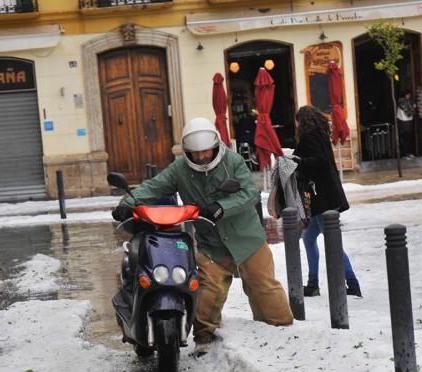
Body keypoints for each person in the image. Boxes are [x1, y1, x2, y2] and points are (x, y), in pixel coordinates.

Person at [112, 117, 293, 351]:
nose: (200, 157)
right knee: (208, 291)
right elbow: (155, 186)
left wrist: (221, 207)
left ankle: (282, 333)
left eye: (205, 152)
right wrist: (128, 202)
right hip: (211, 244)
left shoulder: (233, 161)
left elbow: (249, 192)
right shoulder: (180, 169)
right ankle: (203, 340)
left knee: (263, 286)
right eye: (194, 153)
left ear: (215, 147)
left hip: (246, 239)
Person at [292, 105, 361, 298]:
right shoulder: (320, 134)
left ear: (302, 121)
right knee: (308, 237)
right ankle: (313, 283)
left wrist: (299, 161)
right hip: (325, 195)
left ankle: (353, 284)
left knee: (333, 243)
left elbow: (319, 161)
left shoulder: (310, 136)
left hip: (323, 198)